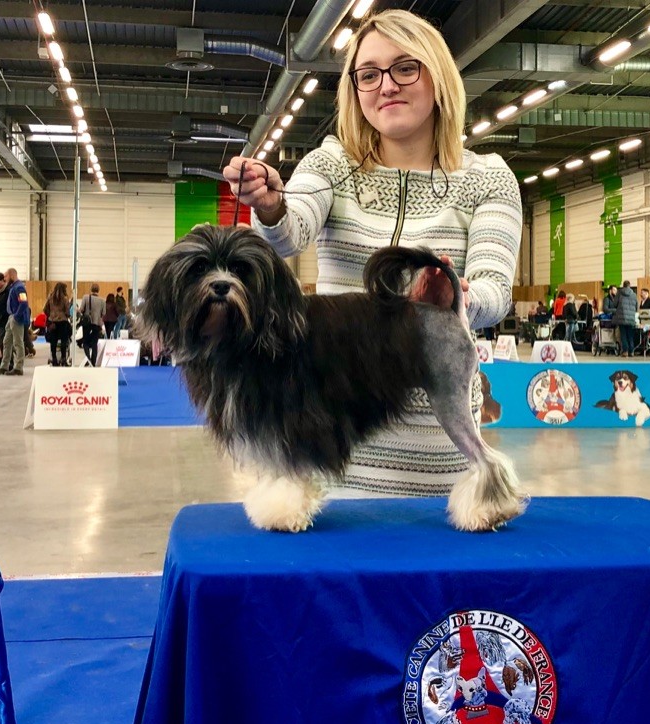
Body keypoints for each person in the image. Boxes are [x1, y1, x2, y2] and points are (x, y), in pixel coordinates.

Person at [222, 8, 521, 497]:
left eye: (406, 67)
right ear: (355, 89)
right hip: (336, 462)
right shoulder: (332, 164)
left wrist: (458, 293)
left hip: (443, 464)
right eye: (369, 74)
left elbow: (495, 291)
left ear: (438, 76)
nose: (387, 85)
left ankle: (488, 486)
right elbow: (291, 231)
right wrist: (271, 205)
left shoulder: (488, 177)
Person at [0, 268, 29, 376]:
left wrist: (16, 316)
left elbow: (24, 303)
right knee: (6, 341)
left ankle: (19, 367)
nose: (5, 279)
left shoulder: (19, 287)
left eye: (6, 277)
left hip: (16, 318)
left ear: (12, 275)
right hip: (11, 317)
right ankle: (4, 366)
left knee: (18, 343)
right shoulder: (13, 287)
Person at [43, 282, 72, 367]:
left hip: (52, 322)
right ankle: (63, 359)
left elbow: (45, 309)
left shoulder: (50, 298)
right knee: (64, 341)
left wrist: (51, 315)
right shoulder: (65, 299)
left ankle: (54, 359)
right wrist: (66, 315)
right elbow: (67, 312)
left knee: (53, 342)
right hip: (62, 322)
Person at [79, 283, 106, 366]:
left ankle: (88, 358)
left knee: (85, 342)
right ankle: (93, 362)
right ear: (98, 290)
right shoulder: (102, 300)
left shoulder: (85, 297)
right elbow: (104, 313)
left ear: (91, 289)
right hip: (97, 324)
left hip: (87, 323)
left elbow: (81, 309)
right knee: (95, 343)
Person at [612, 280, 639, 357]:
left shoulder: (619, 293)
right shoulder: (634, 294)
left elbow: (614, 304)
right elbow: (637, 307)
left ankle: (625, 351)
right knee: (630, 335)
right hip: (631, 318)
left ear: (623, 286)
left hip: (622, 317)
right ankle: (631, 351)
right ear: (629, 286)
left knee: (623, 335)